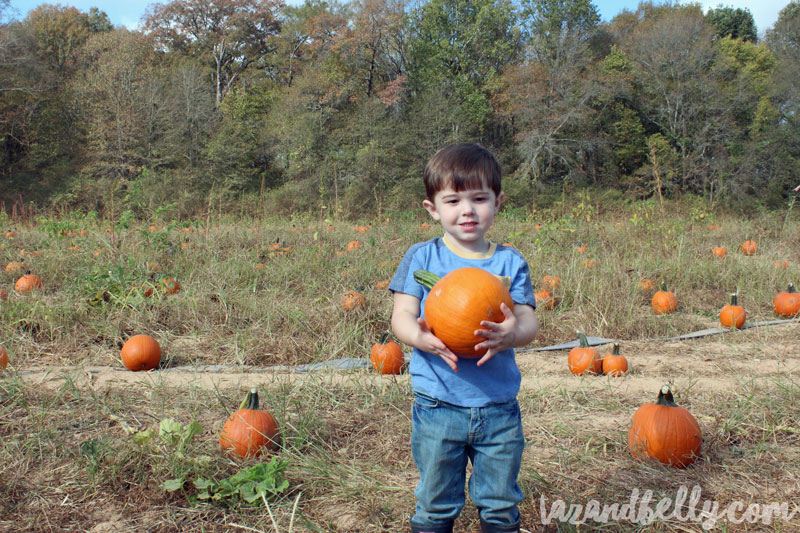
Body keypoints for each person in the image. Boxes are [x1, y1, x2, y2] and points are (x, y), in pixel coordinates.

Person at [389, 142, 540, 533]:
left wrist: (512, 334)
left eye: (479, 198)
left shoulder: (509, 262)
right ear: (433, 209)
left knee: (501, 502)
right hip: (438, 404)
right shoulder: (422, 258)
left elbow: (528, 323)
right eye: (453, 200)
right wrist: (418, 338)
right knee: (436, 501)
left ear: (498, 201)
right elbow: (402, 317)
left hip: (498, 407)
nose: (467, 210)